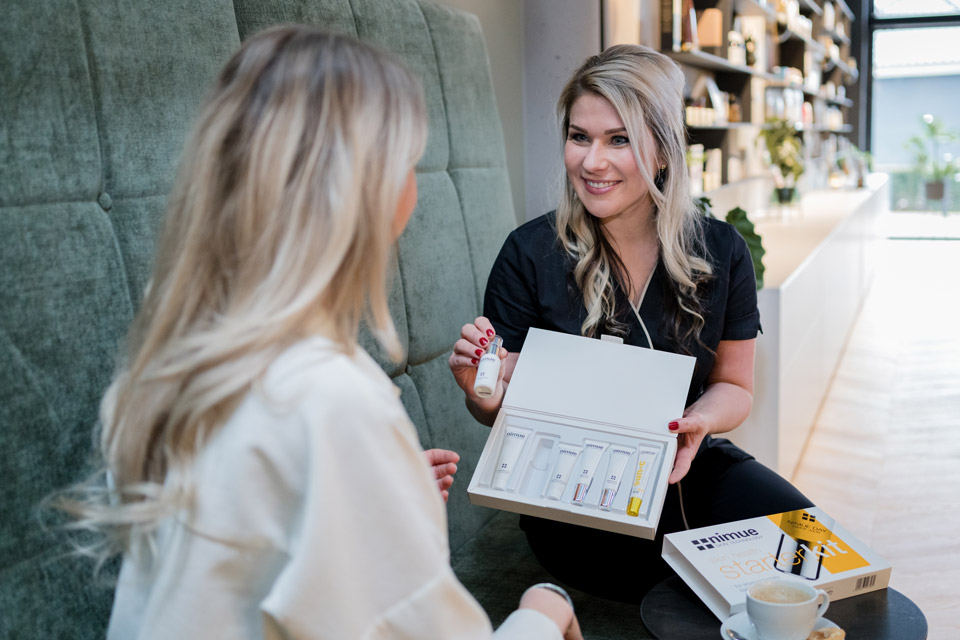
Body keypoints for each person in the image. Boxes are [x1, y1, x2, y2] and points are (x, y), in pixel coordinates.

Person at [62, 26, 582, 639]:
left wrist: (375, 492)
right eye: (409, 162)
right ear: (370, 192)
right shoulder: (334, 400)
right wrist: (542, 612)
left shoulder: (182, 359)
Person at [449, 44, 813, 601]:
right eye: (579, 137)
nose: (592, 162)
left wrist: (696, 423)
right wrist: (486, 387)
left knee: (808, 550)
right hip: (570, 490)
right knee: (689, 590)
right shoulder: (529, 252)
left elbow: (736, 388)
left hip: (685, 462)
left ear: (663, 151)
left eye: (618, 139)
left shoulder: (721, 250)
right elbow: (493, 405)